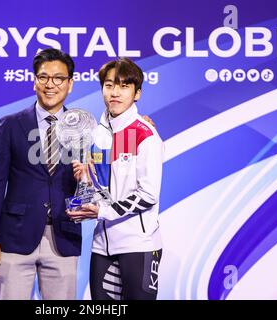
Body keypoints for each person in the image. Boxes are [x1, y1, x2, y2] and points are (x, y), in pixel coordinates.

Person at [0, 48, 81, 300]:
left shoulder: (82, 127)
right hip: (14, 237)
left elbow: (98, 171)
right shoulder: (10, 125)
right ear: (34, 81)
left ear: (69, 84)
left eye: (58, 78)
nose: (50, 85)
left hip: (63, 235)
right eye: (43, 77)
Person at [68, 57, 164, 300]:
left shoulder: (145, 134)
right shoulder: (95, 135)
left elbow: (148, 195)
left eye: (124, 86)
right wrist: (85, 182)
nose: (115, 92)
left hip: (139, 244)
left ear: (137, 93)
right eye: (109, 85)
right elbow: (100, 189)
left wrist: (102, 211)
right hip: (102, 244)